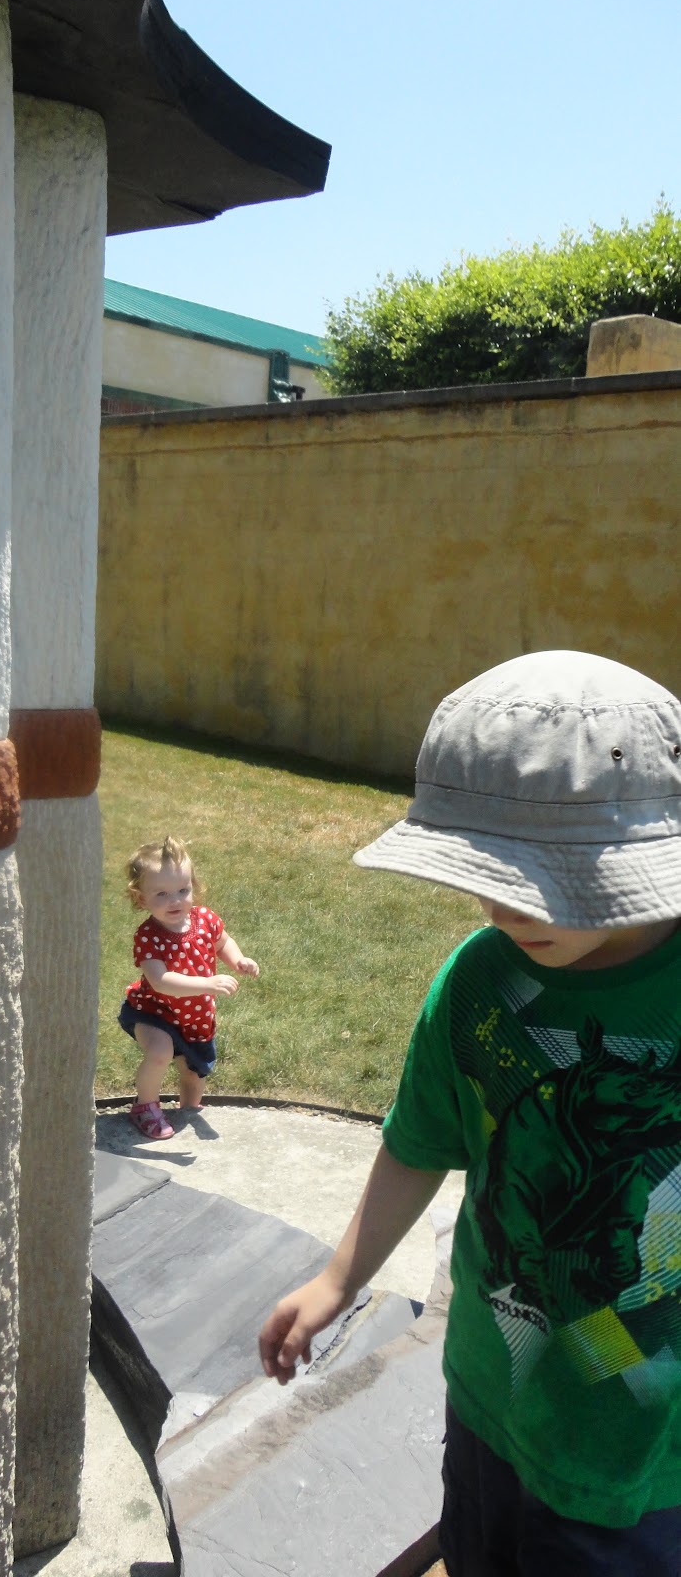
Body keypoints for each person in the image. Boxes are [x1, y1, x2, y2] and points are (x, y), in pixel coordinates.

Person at [258, 651, 681, 1576]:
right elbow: (419, 1142)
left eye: (548, 875)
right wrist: (338, 1278)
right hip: (494, 1396)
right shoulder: (480, 984)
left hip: (648, 1461)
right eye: (486, 871)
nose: (504, 906)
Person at [120, 835, 259, 1140]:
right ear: (141, 899)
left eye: (183, 890)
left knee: (194, 1073)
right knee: (160, 1052)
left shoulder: (205, 919)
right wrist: (207, 984)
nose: (175, 900)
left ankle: (189, 1109)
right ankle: (145, 1107)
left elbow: (223, 943)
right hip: (154, 1011)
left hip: (196, 1017)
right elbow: (161, 981)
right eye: (162, 894)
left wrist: (238, 960)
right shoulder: (148, 936)